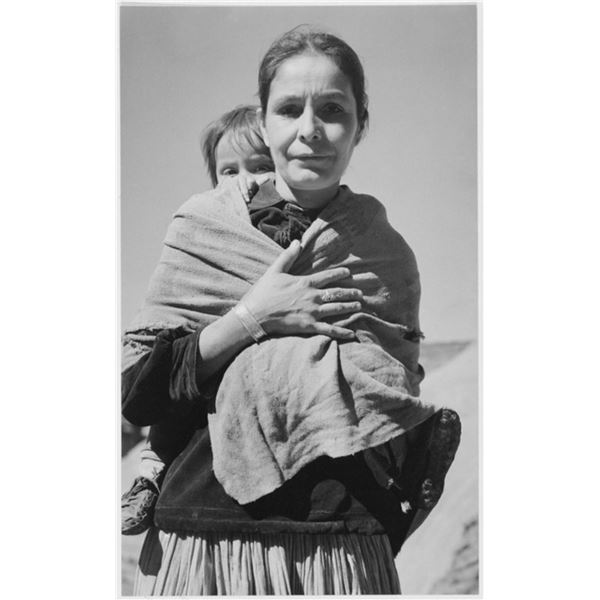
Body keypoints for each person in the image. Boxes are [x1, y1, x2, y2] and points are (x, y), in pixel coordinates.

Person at [122, 25, 461, 595]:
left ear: (360, 124)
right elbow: (140, 391)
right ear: (266, 118)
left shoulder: (384, 254)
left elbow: (393, 397)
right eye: (289, 109)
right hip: (206, 543)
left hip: (343, 544)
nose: (310, 130)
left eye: (333, 109)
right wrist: (254, 316)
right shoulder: (203, 228)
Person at [121, 105, 275, 536]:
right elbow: (174, 300)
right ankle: (150, 478)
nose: (245, 180)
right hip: (200, 362)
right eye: (228, 171)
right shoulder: (203, 226)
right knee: (180, 392)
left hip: (266, 374)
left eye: (262, 166)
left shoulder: (298, 227)